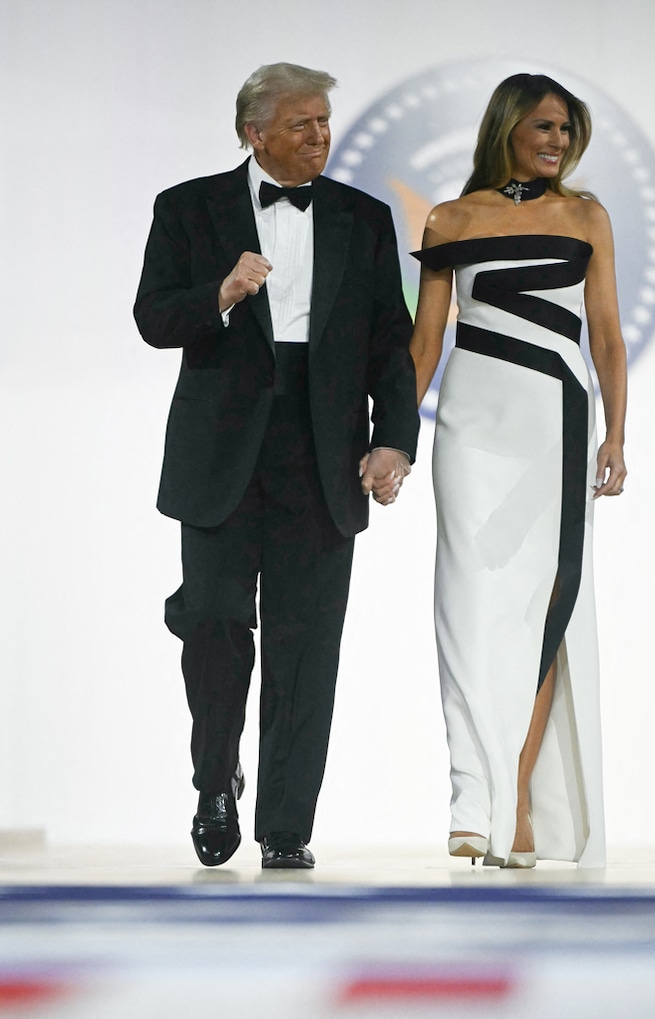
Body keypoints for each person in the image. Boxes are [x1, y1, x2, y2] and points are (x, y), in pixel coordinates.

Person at [134, 63, 419, 869]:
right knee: (215, 618)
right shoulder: (188, 207)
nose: (320, 137)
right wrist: (220, 293)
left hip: (324, 446)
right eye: (302, 124)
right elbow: (154, 317)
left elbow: (386, 338)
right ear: (253, 133)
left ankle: (286, 825)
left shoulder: (363, 218)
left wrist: (394, 436)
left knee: (306, 638)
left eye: (325, 122)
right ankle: (215, 775)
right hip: (221, 446)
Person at [410, 73, 627, 869]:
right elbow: (425, 346)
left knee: (542, 615)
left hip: (558, 432)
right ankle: (475, 797)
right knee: (466, 609)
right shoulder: (450, 220)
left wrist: (618, 434)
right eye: (544, 126)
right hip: (470, 430)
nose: (557, 141)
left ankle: (515, 800)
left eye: (567, 130)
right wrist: (395, 435)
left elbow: (605, 332)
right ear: (507, 125)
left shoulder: (587, 215)